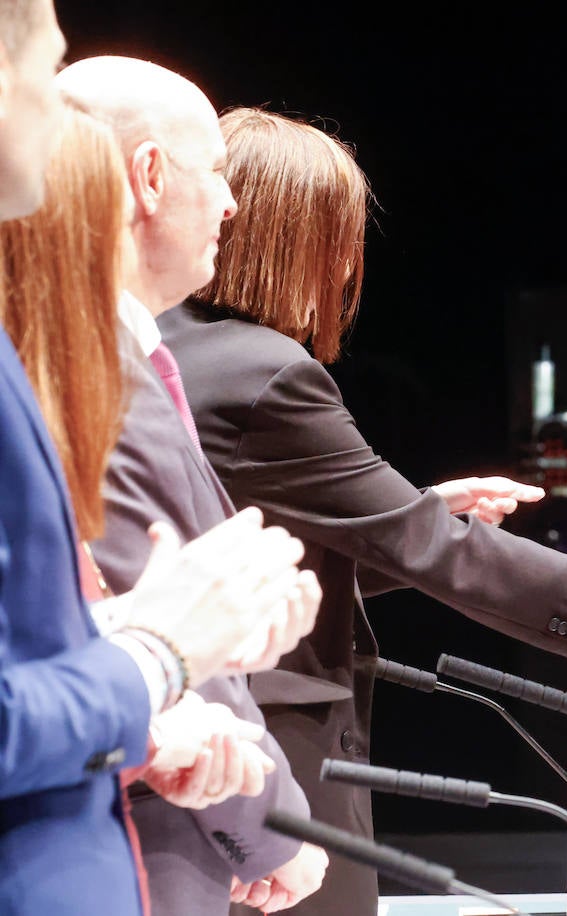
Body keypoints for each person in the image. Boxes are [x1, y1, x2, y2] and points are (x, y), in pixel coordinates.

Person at [152, 106, 567, 915]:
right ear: (299, 238)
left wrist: (412, 513)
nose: (347, 267)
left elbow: (255, 565)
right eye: (343, 239)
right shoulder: (267, 372)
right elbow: (425, 544)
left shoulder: (176, 349)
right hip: (263, 753)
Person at [0, 7, 319, 908]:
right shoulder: (67, 363)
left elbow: (39, 648)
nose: (62, 125)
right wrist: (163, 652)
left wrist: (157, 694)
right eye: (42, 77)